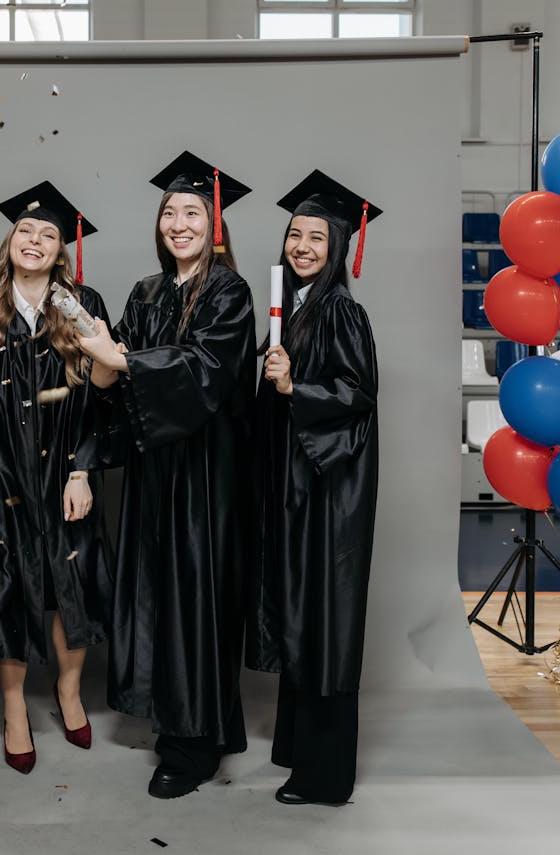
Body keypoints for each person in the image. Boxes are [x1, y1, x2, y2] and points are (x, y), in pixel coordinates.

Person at [76, 151, 256, 799]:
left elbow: (203, 370)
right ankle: (177, 721)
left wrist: (121, 360)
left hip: (208, 478)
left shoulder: (229, 291)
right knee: (159, 596)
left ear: (216, 227)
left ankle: (194, 744)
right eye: (170, 213)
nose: (178, 224)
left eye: (192, 213)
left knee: (198, 604)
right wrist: (97, 357)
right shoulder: (146, 292)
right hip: (158, 475)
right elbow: (114, 374)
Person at [0, 180, 114, 775]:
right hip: (2, 475)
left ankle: (69, 693)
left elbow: (103, 396)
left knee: (67, 589)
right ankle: (13, 709)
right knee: (9, 588)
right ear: (10, 242)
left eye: (49, 234)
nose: (36, 240)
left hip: (65, 472)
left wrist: (82, 469)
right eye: (26, 230)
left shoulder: (82, 305)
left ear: (61, 251)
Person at [246, 168, 381, 806]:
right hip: (296, 487)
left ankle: (326, 776)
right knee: (300, 611)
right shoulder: (296, 306)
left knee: (324, 618)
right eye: (294, 235)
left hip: (329, 495)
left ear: (337, 249)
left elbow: (357, 394)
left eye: (316, 239)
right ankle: (297, 747)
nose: (301, 246)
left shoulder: (342, 311)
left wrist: (292, 387)